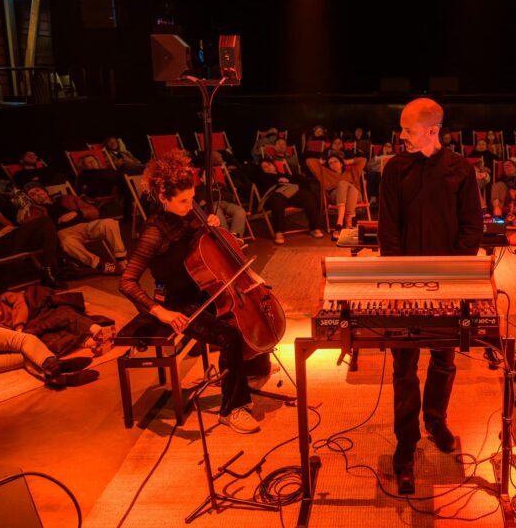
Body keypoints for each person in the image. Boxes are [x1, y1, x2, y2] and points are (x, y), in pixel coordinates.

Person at [118, 150, 267, 434]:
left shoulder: (189, 215)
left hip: (202, 290)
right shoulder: (154, 232)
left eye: (192, 198)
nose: (191, 206)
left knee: (245, 317)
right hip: (178, 303)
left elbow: (202, 253)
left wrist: (210, 226)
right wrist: (160, 312)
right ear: (164, 197)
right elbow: (127, 282)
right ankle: (230, 410)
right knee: (230, 336)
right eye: (184, 201)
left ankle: (247, 372)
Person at [378, 97, 483, 495]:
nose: (401, 135)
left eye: (408, 130)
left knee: (444, 360)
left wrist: (453, 275)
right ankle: (405, 447)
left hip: (448, 281)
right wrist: (397, 278)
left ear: (432, 131)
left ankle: (435, 421)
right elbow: (388, 229)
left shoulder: (461, 170)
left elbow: (472, 227)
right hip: (403, 282)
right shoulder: (394, 169)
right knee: (404, 369)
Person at [22, 182, 127, 274]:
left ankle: (121, 260)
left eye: (38, 190)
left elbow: (94, 212)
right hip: (64, 233)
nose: (37, 194)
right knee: (67, 242)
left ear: (45, 190)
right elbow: (33, 229)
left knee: (110, 223)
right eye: (32, 194)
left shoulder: (66, 198)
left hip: (85, 226)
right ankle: (101, 265)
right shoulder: (33, 211)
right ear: (30, 199)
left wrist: (77, 213)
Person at [0, 286, 115, 356]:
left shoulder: (2, 299)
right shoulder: (1, 326)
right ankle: (90, 342)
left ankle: (95, 329)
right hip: (35, 323)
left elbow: (21, 303)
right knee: (46, 338)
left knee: (61, 313)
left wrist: (19, 326)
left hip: (38, 308)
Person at [247, 159, 325, 244]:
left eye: (269, 165)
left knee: (307, 195)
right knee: (278, 197)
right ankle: (279, 232)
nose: (267, 167)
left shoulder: (285, 175)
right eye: (264, 167)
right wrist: (276, 181)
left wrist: (289, 180)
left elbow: (300, 184)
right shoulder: (262, 178)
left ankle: (314, 228)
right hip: (273, 198)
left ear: (274, 166)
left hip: (289, 195)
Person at [305, 155, 368, 238]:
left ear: (341, 163)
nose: (333, 164)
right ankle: (348, 225)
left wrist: (348, 161)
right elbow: (309, 161)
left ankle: (339, 223)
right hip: (335, 196)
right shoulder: (325, 172)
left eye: (335, 161)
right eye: (330, 163)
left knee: (346, 186)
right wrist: (322, 162)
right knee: (342, 184)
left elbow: (363, 160)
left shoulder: (352, 171)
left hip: (356, 195)